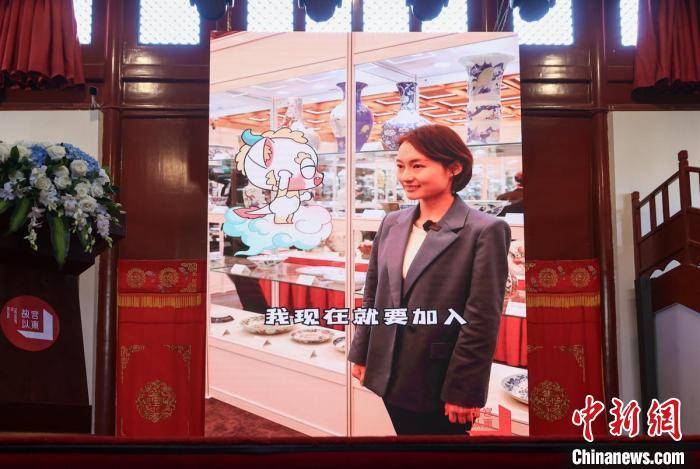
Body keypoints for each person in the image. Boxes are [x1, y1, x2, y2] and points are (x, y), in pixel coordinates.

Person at [347, 124, 511, 436]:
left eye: (418, 166)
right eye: (400, 166)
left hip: (439, 378)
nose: (406, 176)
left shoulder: (484, 230)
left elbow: (481, 319)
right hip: (388, 370)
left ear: (454, 167)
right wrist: (363, 352)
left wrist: (464, 389)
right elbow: (373, 295)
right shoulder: (392, 222)